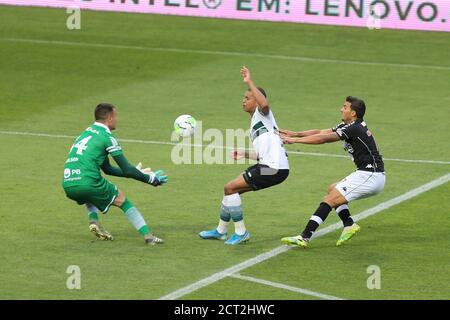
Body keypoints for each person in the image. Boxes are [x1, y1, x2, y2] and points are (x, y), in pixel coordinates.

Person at [199, 67, 290, 245]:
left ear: (256, 101)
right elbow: (262, 155)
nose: (243, 101)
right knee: (231, 190)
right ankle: (220, 231)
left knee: (230, 187)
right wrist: (244, 154)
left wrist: (249, 81)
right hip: (273, 167)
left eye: (247, 98)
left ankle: (241, 233)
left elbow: (265, 104)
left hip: (274, 169)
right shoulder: (256, 124)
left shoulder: (263, 114)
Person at [280, 96, 385, 247]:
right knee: (332, 189)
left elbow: (324, 139)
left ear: (353, 113)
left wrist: (295, 141)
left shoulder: (354, 128)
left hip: (371, 175)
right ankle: (349, 224)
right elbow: (321, 132)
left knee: (329, 200)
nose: (341, 109)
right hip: (366, 173)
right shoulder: (349, 125)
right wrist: (295, 133)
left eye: (345, 107)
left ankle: (305, 236)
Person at [62, 103, 168, 245]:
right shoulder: (107, 137)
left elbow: (108, 169)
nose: (117, 119)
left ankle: (94, 220)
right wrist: (151, 179)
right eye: (115, 116)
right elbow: (127, 170)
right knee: (122, 200)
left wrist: (137, 172)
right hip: (88, 182)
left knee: (88, 192)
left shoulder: (85, 133)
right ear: (110, 117)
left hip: (69, 183)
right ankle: (148, 236)